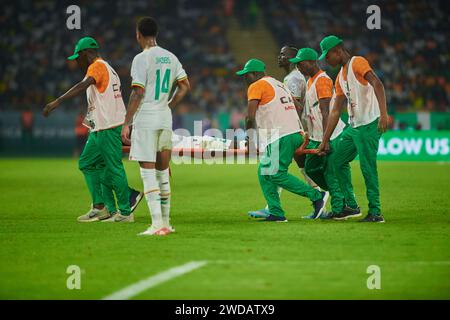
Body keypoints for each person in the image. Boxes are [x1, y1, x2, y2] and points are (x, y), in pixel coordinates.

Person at [43, 37, 142, 222]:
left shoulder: (97, 66)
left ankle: (125, 212)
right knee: (87, 163)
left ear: (86, 53)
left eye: (77, 57)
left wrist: (57, 101)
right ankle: (101, 206)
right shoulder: (106, 67)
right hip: (100, 127)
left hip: (109, 126)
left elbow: (82, 86)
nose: (76, 62)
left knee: (113, 168)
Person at [121, 17, 190, 236]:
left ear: (138, 34)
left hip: (146, 118)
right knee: (162, 173)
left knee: (148, 174)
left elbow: (138, 92)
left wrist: (127, 122)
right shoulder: (171, 57)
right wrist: (168, 104)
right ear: (156, 34)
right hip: (164, 117)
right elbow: (185, 86)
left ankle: (156, 224)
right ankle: (166, 223)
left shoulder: (141, 58)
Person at [237, 58, 327, 222]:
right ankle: (276, 212)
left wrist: (249, 141)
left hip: (281, 135)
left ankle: (316, 196)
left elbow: (250, 117)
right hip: (294, 133)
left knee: (276, 174)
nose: (245, 78)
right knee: (264, 172)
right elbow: (298, 107)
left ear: (255, 74)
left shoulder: (256, 86)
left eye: (246, 75)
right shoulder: (279, 84)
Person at [317, 35, 389, 223]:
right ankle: (351, 206)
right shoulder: (340, 76)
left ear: (338, 51)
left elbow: (377, 84)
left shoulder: (357, 62)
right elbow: (334, 112)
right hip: (354, 127)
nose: (326, 60)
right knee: (336, 160)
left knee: (368, 167)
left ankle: (376, 212)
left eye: (328, 55)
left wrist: (383, 114)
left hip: (369, 125)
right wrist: (325, 141)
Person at [291, 47, 357, 219]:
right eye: (296, 64)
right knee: (311, 168)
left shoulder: (322, 80)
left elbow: (326, 111)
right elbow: (310, 111)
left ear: (312, 62)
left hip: (330, 136)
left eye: (300, 63)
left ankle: (339, 209)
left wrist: (326, 140)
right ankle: (337, 196)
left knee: (330, 171)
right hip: (315, 136)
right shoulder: (311, 80)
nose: (298, 67)